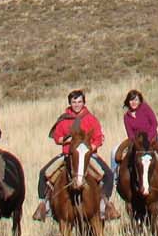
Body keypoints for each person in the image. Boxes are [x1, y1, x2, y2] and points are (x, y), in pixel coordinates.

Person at [32, 90, 119, 221]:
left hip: (87, 156)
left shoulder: (91, 119)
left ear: (84, 103)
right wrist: (66, 141)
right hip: (68, 154)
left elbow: (98, 137)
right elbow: (57, 137)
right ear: (70, 103)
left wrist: (92, 147)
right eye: (74, 102)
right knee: (44, 173)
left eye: (79, 102)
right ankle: (45, 205)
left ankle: (104, 205)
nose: (77, 105)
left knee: (108, 174)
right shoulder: (64, 119)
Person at [120, 89, 158, 196]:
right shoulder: (126, 116)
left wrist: (148, 139)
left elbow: (154, 124)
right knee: (116, 154)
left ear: (140, 100)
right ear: (128, 102)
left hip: (152, 138)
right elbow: (129, 133)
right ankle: (117, 182)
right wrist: (135, 143)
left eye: (136, 100)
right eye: (131, 100)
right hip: (135, 141)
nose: (134, 102)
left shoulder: (145, 108)